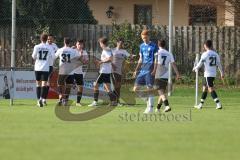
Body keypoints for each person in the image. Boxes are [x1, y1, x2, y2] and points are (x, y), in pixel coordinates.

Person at [193, 40, 224, 109]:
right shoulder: (216, 54)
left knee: (210, 89)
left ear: (205, 46)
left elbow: (200, 63)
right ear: (211, 45)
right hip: (213, 74)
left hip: (208, 74)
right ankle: (200, 105)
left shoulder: (205, 54)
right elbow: (219, 64)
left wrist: (195, 68)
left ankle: (218, 104)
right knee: (205, 88)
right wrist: (222, 72)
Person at [133, 29, 158, 114]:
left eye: (146, 38)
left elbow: (156, 59)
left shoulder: (154, 46)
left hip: (150, 69)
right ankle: (147, 100)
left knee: (149, 88)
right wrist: (136, 70)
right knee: (135, 89)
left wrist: (154, 69)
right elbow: (140, 59)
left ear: (149, 37)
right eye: (143, 38)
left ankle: (150, 108)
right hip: (142, 70)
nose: (145, 39)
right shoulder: (141, 46)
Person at [88, 37, 117, 107]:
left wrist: (100, 62)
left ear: (102, 43)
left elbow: (110, 59)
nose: (100, 45)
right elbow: (109, 59)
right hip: (106, 71)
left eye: (100, 43)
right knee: (107, 89)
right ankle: (114, 101)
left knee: (95, 85)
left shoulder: (106, 50)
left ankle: (95, 102)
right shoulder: (107, 50)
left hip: (104, 72)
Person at [153, 40, 180, 113]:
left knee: (161, 92)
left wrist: (153, 71)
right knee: (162, 92)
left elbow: (155, 63)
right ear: (165, 45)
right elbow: (173, 64)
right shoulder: (169, 53)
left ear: (158, 45)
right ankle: (158, 108)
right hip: (166, 75)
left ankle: (167, 106)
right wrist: (177, 74)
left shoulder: (157, 53)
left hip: (158, 74)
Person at [55, 37, 81, 106]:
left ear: (64, 42)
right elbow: (79, 57)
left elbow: (54, 57)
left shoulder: (60, 50)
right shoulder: (73, 50)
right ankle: (65, 100)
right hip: (70, 70)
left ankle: (60, 96)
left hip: (62, 70)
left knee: (60, 84)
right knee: (68, 85)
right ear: (70, 42)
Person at [32, 33, 55, 107]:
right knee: (44, 84)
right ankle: (42, 99)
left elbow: (33, 56)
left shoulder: (36, 46)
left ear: (40, 39)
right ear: (46, 39)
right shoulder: (49, 47)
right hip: (45, 68)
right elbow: (53, 57)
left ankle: (38, 100)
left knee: (38, 84)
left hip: (37, 68)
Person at [111, 38, 130, 106]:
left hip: (120, 71)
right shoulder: (112, 50)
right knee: (116, 85)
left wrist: (133, 56)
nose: (121, 44)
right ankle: (114, 101)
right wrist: (112, 65)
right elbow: (109, 59)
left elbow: (129, 57)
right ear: (117, 43)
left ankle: (116, 101)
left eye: (122, 43)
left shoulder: (124, 51)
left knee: (118, 87)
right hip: (113, 71)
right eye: (120, 43)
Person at [71, 40, 89, 106]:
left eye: (81, 44)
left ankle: (78, 102)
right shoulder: (72, 51)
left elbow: (86, 62)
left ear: (83, 45)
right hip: (72, 72)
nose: (80, 46)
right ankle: (63, 100)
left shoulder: (84, 52)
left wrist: (81, 57)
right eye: (78, 44)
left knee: (80, 87)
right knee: (67, 85)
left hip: (79, 72)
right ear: (76, 44)